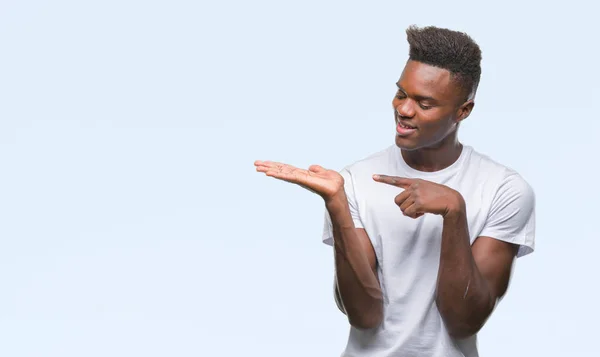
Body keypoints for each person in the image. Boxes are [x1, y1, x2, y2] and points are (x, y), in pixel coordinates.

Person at [254, 25, 535, 357]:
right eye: (402, 93)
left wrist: (454, 213)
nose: (403, 110)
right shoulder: (355, 181)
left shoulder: (505, 190)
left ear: (463, 111)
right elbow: (364, 315)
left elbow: (464, 321)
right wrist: (337, 206)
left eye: (424, 103)